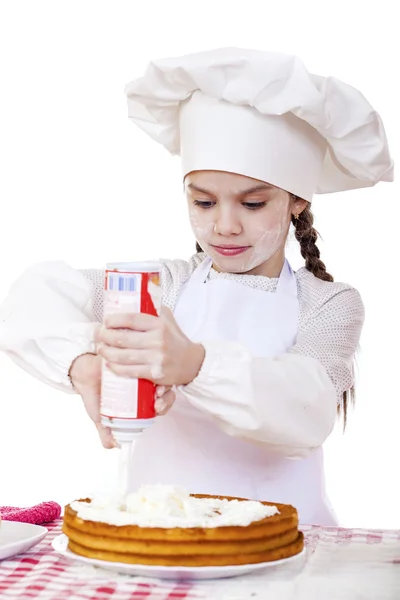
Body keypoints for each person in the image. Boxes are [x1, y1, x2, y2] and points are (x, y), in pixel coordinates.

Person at [0, 48, 393, 525]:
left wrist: (194, 365)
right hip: (159, 535)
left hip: (284, 543)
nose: (224, 226)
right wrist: (85, 365)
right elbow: (36, 293)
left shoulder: (329, 304)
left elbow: (307, 411)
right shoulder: (162, 286)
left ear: (296, 202)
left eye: (252, 204)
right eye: (204, 202)